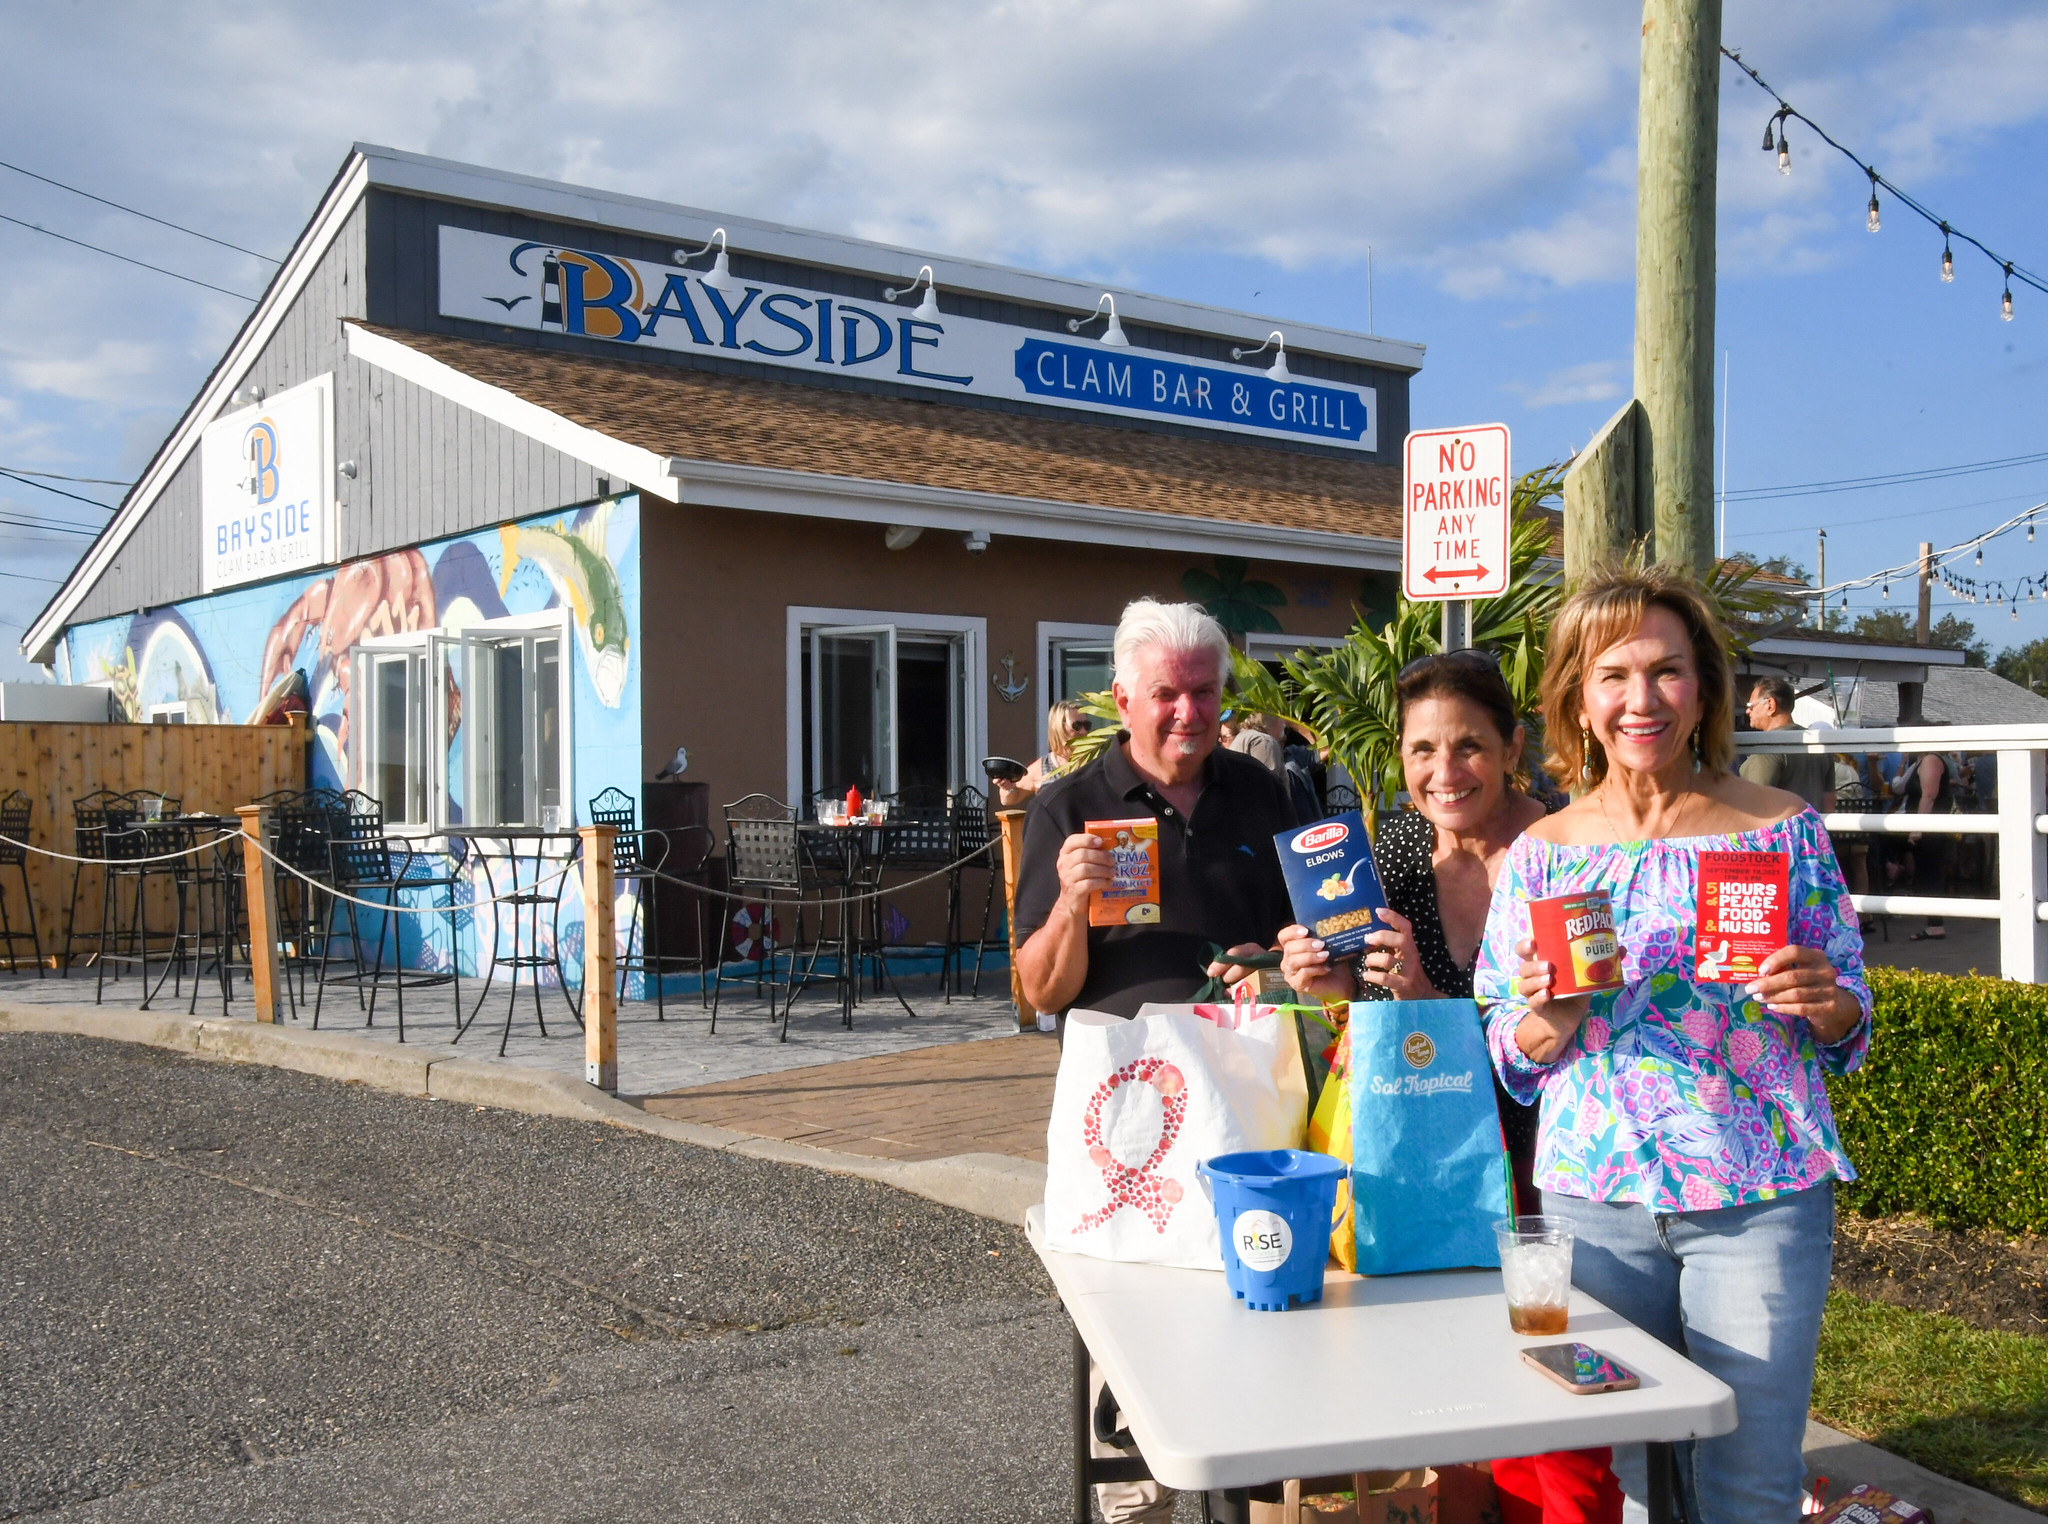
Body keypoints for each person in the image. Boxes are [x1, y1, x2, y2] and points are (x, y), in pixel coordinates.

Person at [1473, 563, 1870, 1524]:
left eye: (1668, 671)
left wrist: (1827, 1003)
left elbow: (1850, 1008)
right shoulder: (1542, 852)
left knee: (1751, 1480)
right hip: (1593, 1205)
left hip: (1758, 1197)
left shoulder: (1784, 830)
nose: (1640, 699)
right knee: (1625, 1481)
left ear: (1705, 690)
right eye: (1614, 675)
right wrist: (1548, 1018)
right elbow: (1506, 1048)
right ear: (1578, 694)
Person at [1277, 651, 1619, 1524]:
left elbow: (1586, 1008)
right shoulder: (1384, 857)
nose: (1444, 770)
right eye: (1422, 749)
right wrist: (1327, 990)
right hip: (1441, 1161)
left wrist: (1430, 998)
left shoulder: (1567, 847)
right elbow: (1368, 1022)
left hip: (1559, 1154)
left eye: (1468, 745)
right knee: (1464, 1402)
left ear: (1512, 747)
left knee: (1565, 1405)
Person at [1011, 598, 1296, 1524]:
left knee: (1246, 1312)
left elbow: (1306, 946)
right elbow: (1040, 993)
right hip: (1123, 1122)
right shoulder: (1069, 808)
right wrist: (1066, 907)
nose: (1188, 713)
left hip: (1246, 1103)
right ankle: (1137, 1498)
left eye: (1204, 693)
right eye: (1167, 694)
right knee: (1128, 1327)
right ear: (1124, 698)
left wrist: (1284, 964)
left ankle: (1244, 1485)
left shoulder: (1266, 796)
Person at [1740, 677, 1835, 811]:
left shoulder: (1767, 749)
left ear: (1770, 705)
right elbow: (1829, 800)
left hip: (1780, 830)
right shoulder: (1818, 744)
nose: (1747, 711)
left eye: (1751, 706)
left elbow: (1756, 804)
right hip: (1812, 828)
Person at [993, 699, 1090, 808]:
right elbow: (1009, 799)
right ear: (1059, 727)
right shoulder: (1044, 766)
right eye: (1077, 726)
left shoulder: (1095, 759)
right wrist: (1007, 787)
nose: (1083, 731)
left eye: (1087, 725)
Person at [1228, 709, 1287, 776]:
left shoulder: (1243, 737)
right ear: (1271, 719)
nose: (1284, 723)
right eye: (1281, 716)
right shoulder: (1264, 742)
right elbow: (1265, 782)